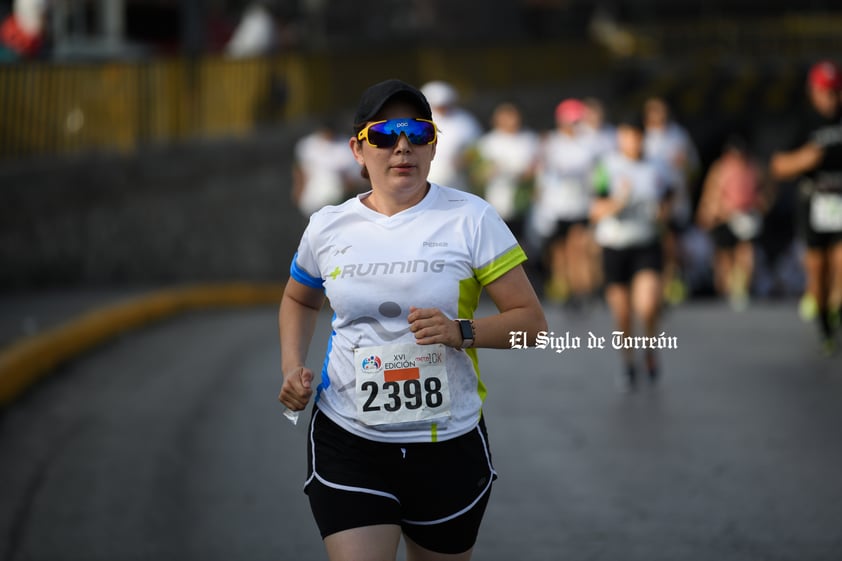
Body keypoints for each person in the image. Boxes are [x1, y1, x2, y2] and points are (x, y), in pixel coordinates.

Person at [278, 78, 547, 561]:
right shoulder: (327, 225)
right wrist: (292, 365)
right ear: (358, 150)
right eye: (384, 134)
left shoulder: (472, 218)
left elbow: (533, 326)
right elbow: (300, 300)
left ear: (433, 145)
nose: (402, 147)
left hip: (447, 443)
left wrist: (462, 332)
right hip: (350, 437)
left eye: (417, 133)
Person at [591, 113, 672, 391]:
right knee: (623, 314)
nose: (633, 143)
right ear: (619, 138)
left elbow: (669, 201)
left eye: (637, 137)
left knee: (648, 306)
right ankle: (627, 363)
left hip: (646, 244)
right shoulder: (607, 167)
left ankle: (649, 350)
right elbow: (595, 211)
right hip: (614, 245)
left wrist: (661, 215)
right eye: (627, 137)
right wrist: (619, 201)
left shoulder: (658, 166)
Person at [770, 60, 842, 355]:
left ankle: (837, 305)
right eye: (825, 92)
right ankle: (824, 320)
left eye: (835, 91)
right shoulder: (802, 122)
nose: (830, 98)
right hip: (814, 202)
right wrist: (803, 159)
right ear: (813, 91)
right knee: (819, 267)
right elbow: (778, 165)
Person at [532, 98, 600, 306]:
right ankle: (566, 289)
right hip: (557, 207)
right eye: (569, 121)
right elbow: (542, 174)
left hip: (580, 205)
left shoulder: (589, 142)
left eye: (576, 121)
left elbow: (596, 174)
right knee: (560, 251)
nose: (573, 125)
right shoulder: (551, 143)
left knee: (578, 248)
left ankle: (582, 290)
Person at [696, 135, 769, 310]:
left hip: (747, 218)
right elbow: (710, 193)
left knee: (746, 253)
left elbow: (766, 192)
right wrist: (710, 211)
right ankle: (726, 290)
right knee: (725, 257)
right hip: (724, 218)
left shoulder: (755, 168)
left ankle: (741, 289)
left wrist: (760, 205)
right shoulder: (719, 169)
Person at [643, 96, 701, 305]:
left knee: (672, 243)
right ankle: (659, 284)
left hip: (675, 198)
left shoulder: (678, 136)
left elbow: (692, 168)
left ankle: (671, 282)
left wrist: (684, 170)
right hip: (651, 200)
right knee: (659, 243)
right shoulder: (643, 137)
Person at [471, 101, 540, 240]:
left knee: (523, 241)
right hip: (497, 201)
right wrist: (488, 172)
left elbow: (537, 168)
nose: (511, 121)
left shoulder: (529, 140)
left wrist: (529, 174)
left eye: (513, 116)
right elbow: (476, 175)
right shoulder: (487, 142)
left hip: (523, 201)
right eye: (506, 117)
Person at [292, 119, 363, 217]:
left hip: (337, 202)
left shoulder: (345, 146)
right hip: (311, 202)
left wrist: (343, 188)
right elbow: (300, 170)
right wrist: (298, 191)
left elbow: (355, 177)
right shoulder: (307, 145)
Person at [421, 80, 483, 191]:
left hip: (457, 180)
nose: (441, 108)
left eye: (444, 104)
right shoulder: (419, 120)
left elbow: (477, 147)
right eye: (437, 105)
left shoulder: (465, 121)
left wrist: (465, 159)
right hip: (425, 178)